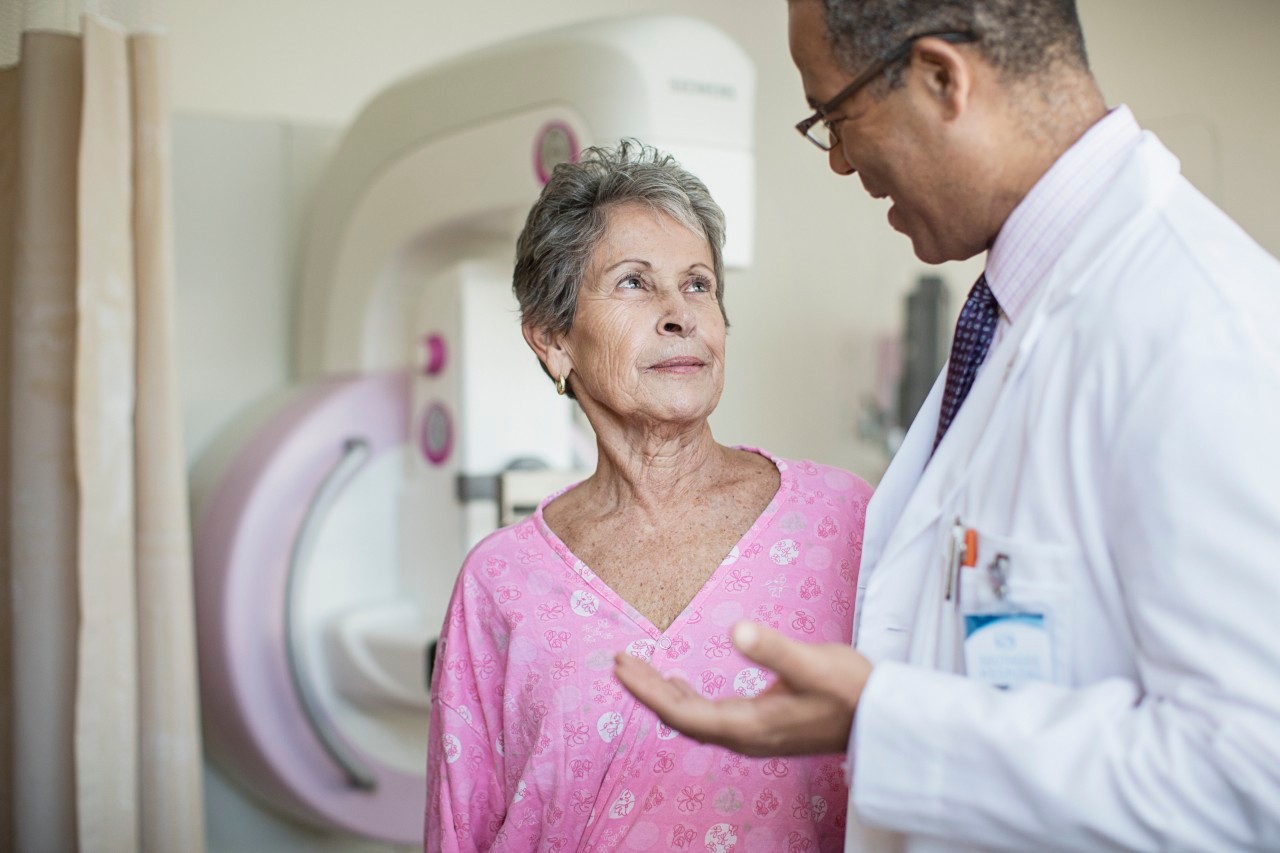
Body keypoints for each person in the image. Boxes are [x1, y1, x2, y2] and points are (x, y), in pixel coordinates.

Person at [614, 0, 1280, 850]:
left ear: (941, 77)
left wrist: (889, 721)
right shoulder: (1010, 315)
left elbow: (1254, 777)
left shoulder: (1202, 331)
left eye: (836, 117)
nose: (841, 161)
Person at [424, 140, 873, 852]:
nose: (679, 314)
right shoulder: (500, 582)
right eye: (634, 283)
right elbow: (460, 828)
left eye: (698, 285)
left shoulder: (844, 520)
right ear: (553, 340)